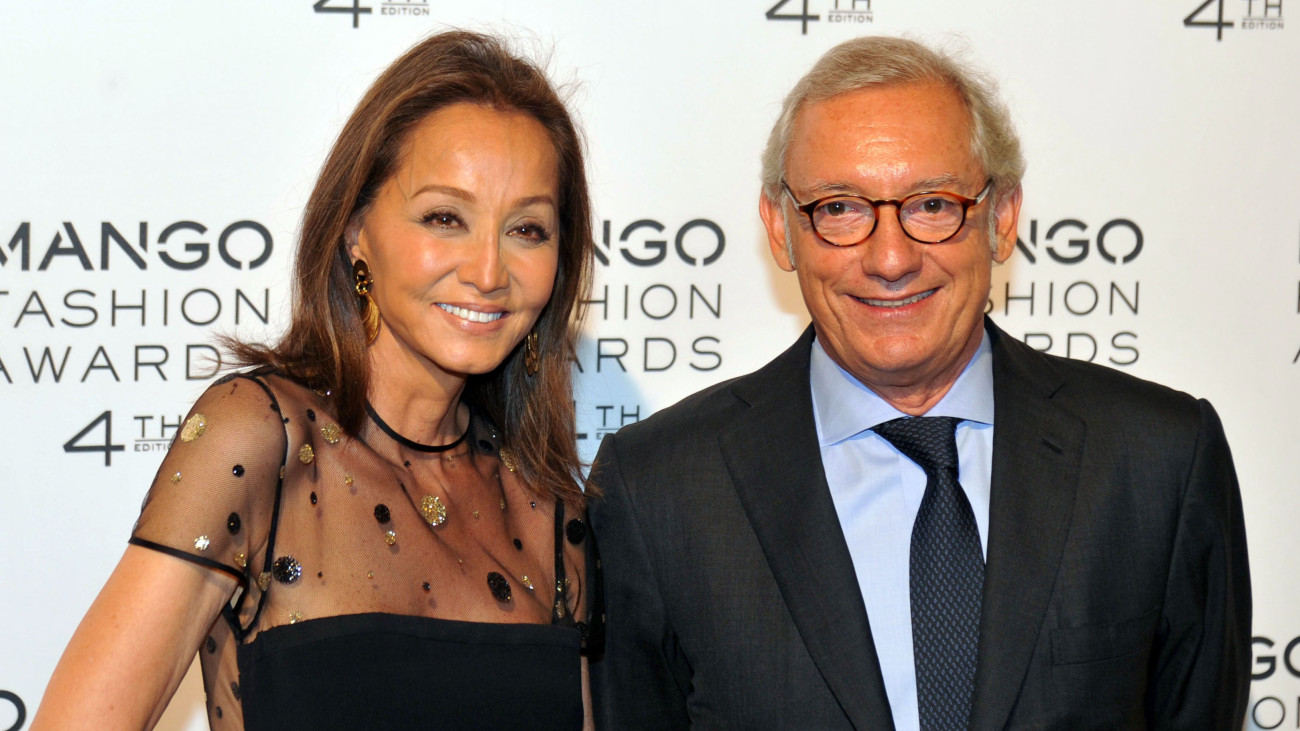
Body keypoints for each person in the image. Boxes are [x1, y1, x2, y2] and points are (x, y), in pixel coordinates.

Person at [589, 35, 1250, 730]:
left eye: (932, 204)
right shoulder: (657, 489)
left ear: (1001, 217)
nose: (892, 257)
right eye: (840, 208)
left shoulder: (1158, 462)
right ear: (781, 229)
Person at [34, 30, 600, 730]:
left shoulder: (550, 512)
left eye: (528, 229)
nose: (488, 271)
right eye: (445, 218)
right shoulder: (261, 438)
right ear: (357, 229)